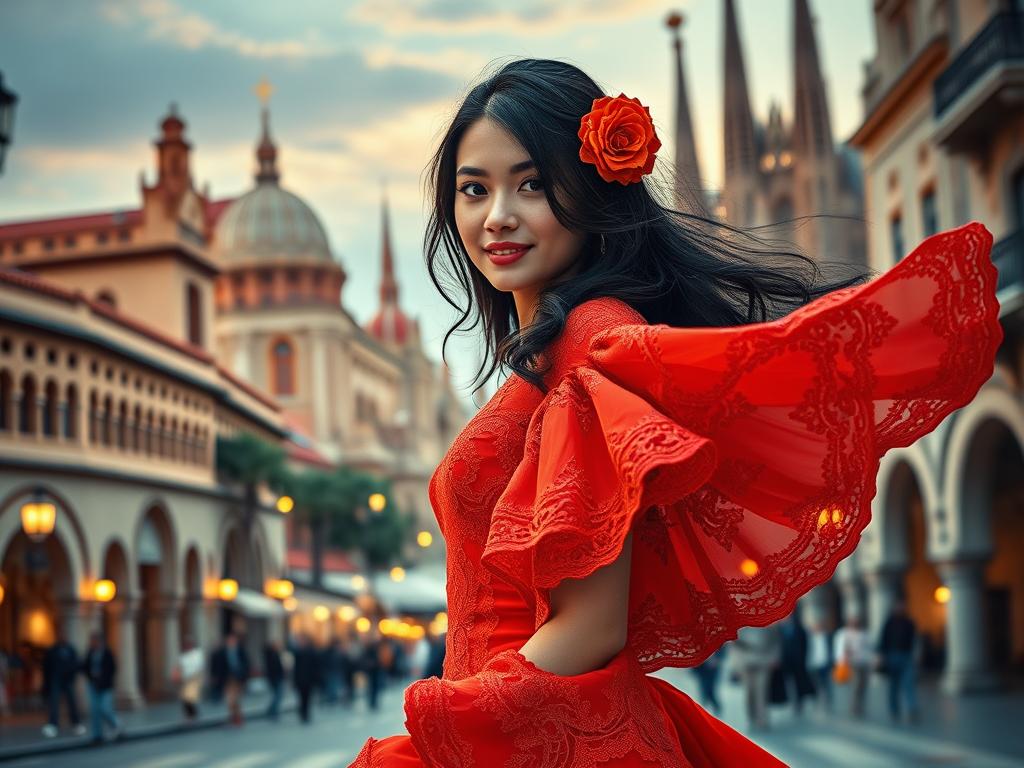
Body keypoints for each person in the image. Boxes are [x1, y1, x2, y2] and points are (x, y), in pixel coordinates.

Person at [348, 58, 1001, 767]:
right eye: (474, 189)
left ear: (591, 189)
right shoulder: (554, 351)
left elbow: (591, 626)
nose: (498, 214)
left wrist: (446, 733)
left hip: (538, 732)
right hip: (539, 729)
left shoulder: (592, 338)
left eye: (532, 184)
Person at [731, 624, 782, 731]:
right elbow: (734, 644)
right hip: (746, 662)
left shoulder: (769, 623)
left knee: (762, 690)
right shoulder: (740, 625)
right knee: (749, 691)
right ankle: (751, 717)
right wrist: (736, 664)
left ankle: (762, 719)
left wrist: (774, 658)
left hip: (763, 661)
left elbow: (776, 641)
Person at [878, 598, 920, 723]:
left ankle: (912, 709)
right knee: (893, 686)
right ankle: (894, 709)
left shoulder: (909, 622)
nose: (900, 608)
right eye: (898, 605)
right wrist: (881, 656)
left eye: (902, 605)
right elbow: (883, 641)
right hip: (891, 657)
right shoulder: (889, 623)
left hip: (906, 656)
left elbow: (915, 640)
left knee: (909, 684)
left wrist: (917, 655)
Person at [41, 633, 85, 738]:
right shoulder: (53, 650)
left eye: (64, 637)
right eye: (61, 637)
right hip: (56, 679)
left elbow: (76, 664)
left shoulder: (70, 650)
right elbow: (46, 666)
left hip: (67, 680)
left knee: (72, 702)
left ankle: (76, 723)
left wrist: (71, 675)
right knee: (54, 703)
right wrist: (47, 681)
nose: (63, 638)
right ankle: (53, 724)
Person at [82, 631, 121, 744]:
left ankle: (117, 725)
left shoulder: (107, 653)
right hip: (93, 685)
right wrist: (90, 677)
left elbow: (112, 669)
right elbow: (86, 666)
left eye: (94, 641)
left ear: (100, 641)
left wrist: (104, 679)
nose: (93, 643)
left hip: (105, 686)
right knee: (95, 711)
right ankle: (97, 735)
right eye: (91, 641)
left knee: (105, 708)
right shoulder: (90, 652)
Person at [833, 615, 874, 718]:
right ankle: (854, 707)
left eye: (856, 622)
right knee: (855, 686)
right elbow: (839, 649)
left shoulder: (864, 634)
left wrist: (872, 660)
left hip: (864, 662)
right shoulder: (844, 634)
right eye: (853, 622)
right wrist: (841, 661)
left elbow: (869, 648)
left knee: (863, 686)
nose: (854, 624)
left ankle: (861, 704)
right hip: (852, 663)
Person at [778, 611, 815, 717]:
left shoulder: (799, 628)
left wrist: (804, 657)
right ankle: (789, 700)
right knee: (787, 682)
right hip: (784, 661)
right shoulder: (779, 629)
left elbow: (805, 644)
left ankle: (799, 702)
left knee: (799, 682)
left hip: (798, 661)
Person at [210, 632, 249, 726]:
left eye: (233, 640)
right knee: (230, 699)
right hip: (227, 678)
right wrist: (215, 676)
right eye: (229, 640)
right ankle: (233, 716)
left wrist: (243, 673)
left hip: (238, 678)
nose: (231, 642)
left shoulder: (240, 650)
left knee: (236, 698)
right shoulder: (222, 652)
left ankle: (237, 717)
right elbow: (216, 665)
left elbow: (246, 663)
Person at [174, 636, 205, 721]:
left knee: (190, 697)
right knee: (185, 698)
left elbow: (198, 666)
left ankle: (192, 714)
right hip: (185, 680)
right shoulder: (183, 656)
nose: (187, 646)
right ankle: (190, 715)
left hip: (193, 679)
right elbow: (180, 666)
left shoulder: (197, 654)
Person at [807, 618, 834, 713]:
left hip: (824, 663)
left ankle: (828, 700)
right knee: (816, 684)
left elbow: (831, 649)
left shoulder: (827, 636)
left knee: (826, 683)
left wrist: (831, 661)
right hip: (813, 664)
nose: (817, 628)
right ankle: (817, 700)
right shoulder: (809, 638)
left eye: (818, 626)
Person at [291, 632, 318, 724]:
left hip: (308, 680)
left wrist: (315, 679)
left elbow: (315, 667)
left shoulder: (311, 652)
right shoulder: (297, 652)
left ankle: (306, 713)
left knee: (307, 698)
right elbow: (295, 669)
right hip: (300, 680)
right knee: (301, 698)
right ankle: (302, 714)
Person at [691, 646, 725, 716]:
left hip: (713, 668)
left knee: (710, 689)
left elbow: (723, 650)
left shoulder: (718, 639)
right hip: (702, 667)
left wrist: (717, 659)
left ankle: (714, 707)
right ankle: (706, 708)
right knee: (704, 688)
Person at [263, 640, 285, 720]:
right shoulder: (272, 655)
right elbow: (274, 668)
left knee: (277, 695)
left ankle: (271, 710)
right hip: (275, 678)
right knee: (278, 695)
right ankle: (272, 711)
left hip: (277, 678)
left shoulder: (275, 654)